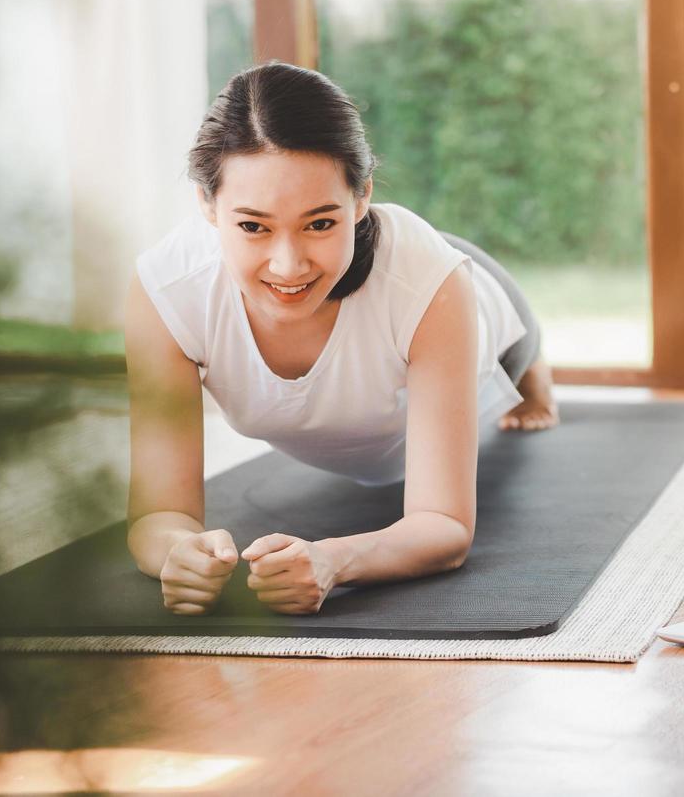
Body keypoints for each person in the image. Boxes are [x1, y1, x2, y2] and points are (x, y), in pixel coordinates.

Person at [124, 61, 559, 617]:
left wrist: (335, 559)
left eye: (319, 222)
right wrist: (176, 552)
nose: (287, 263)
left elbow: (445, 525)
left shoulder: (430, 281)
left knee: (511, 337)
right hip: (376, 279)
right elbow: (158, 516)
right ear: (208, 206)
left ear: (361, 198)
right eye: (254, 226)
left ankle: (538, 366)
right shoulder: (167, 289)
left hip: (475, 312)